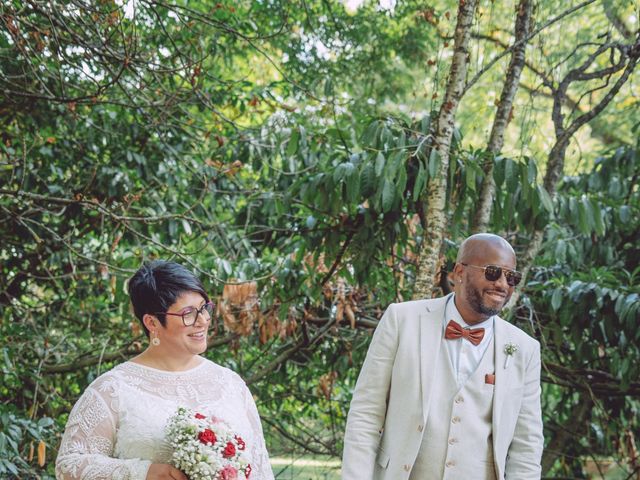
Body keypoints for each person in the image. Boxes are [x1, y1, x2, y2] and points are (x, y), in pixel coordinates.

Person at [341, 233, 543, 480]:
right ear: (459, 272)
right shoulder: (401, 320)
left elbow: (527, 446)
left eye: (511, 277)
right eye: (492, 272)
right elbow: (365, 414)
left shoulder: (524, 348)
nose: (502, 284)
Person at [56, 260, 274, 480]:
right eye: (188, 313)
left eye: (204, 309)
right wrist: (143, 472)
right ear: (152, 322)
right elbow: (69, 465)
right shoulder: (113, 389)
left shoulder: (230, 384)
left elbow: (260, 467)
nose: (203, 321)